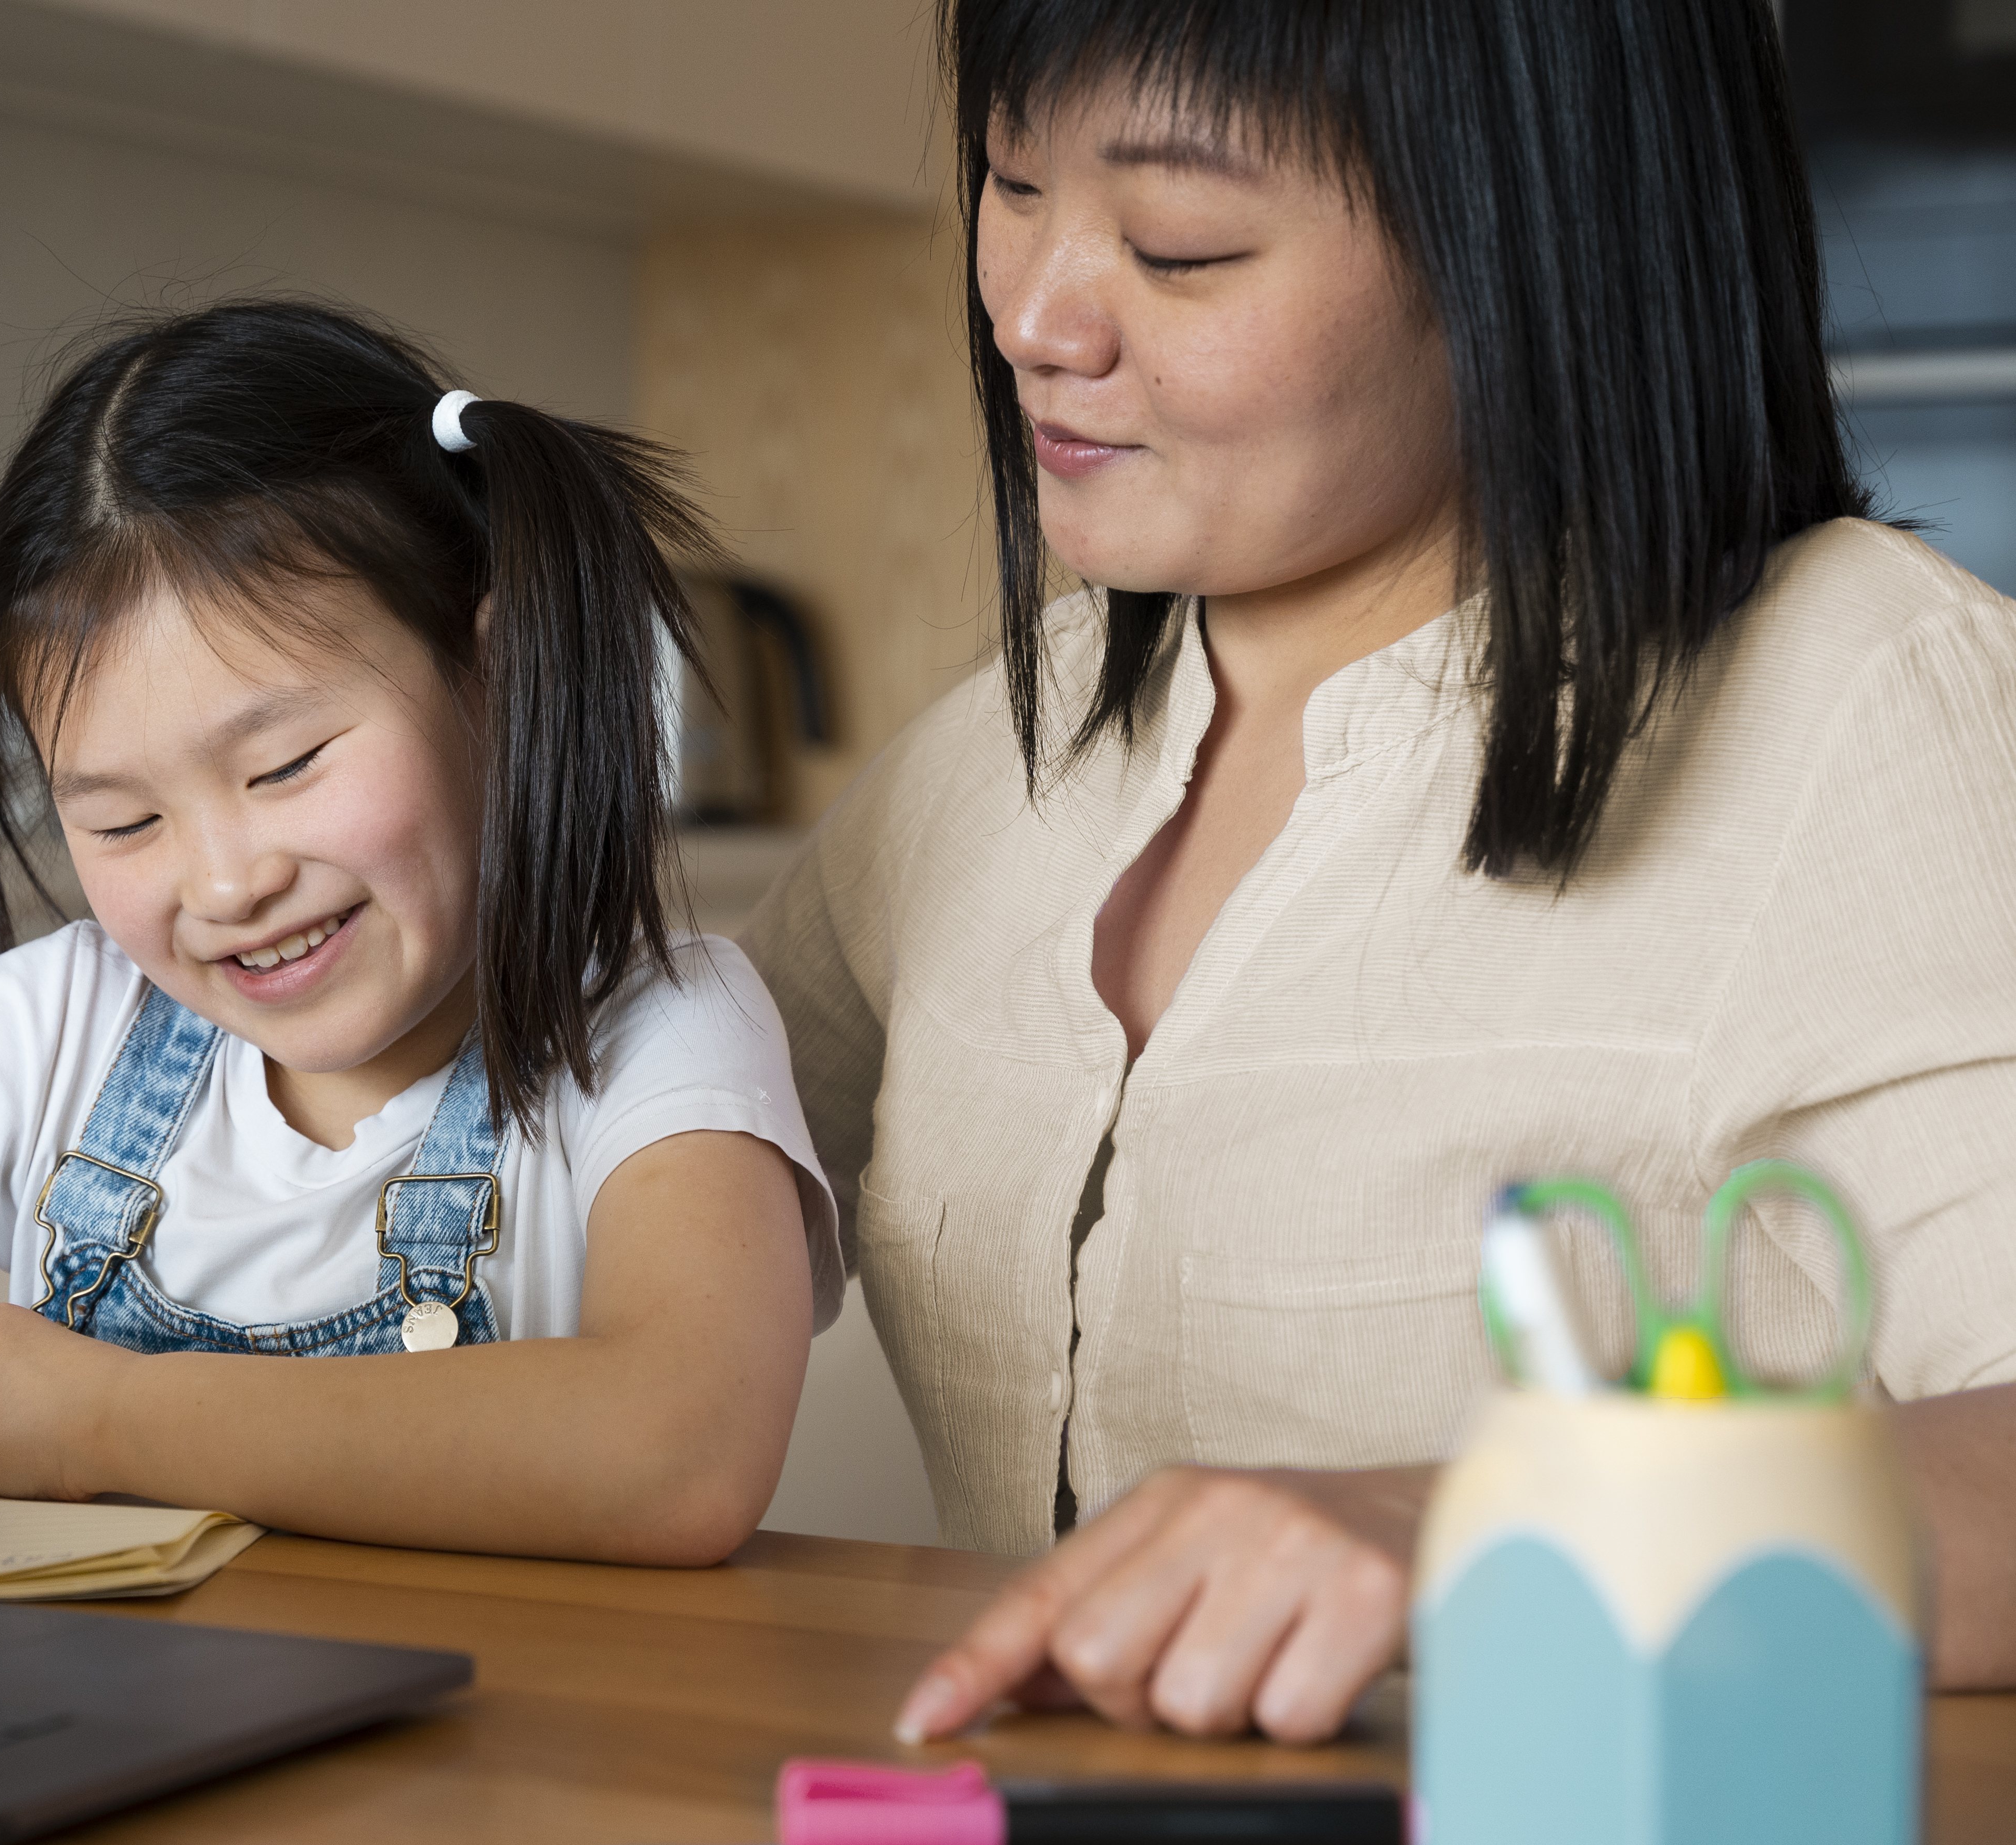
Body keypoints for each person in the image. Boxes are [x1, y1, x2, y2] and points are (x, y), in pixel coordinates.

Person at [742, 0, 2016, 1747]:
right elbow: (632, 1216)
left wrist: (1475, 1526)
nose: (1034, 319)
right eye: (1013, 185)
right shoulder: (993, 758)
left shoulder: (1864, 703)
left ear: (1536, 249)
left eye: (1182, 246)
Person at [0, 300, 838, 1571]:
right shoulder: (52, 1030)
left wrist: (97, 1419)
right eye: (125, 820)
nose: (227, 882)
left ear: (495, 673)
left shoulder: (662, 1031)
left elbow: (677, 1454)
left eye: (287, 764)